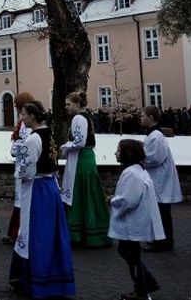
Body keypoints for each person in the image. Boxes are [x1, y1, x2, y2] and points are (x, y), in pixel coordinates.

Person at [9, 101, 75, 298]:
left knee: (35, 233)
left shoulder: (33, 139)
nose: (21, 118)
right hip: (50, 187)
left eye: (23, 114)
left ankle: (34, 278)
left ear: (31, 116)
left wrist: (18, 169)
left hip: (37, 189)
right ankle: (54, 276)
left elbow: (27, 171)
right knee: (50, 232)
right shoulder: (48, 132)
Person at [109, 139, 164, 300]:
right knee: (130, 253)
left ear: (128, 154)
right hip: (136, 221)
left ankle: (142, 289)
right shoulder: (136, 171)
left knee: (130, 254)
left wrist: (113, 200)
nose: (115, 153)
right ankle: (147, 283)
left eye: (118, 150)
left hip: (133, 223)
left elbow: (128, 200)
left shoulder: (131, 173)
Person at [61, 91, 112, 248]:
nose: (66, 107)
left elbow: (79, 141)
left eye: (69, 104)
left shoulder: (78, 118)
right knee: (87, 193)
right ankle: (89, 231)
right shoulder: (86, 117)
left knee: (80, 193)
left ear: (77, 104)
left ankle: (80, 233)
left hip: (81, 159)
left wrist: (65, 146)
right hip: (86, 157)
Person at [141, 105, 183, 252]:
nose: (140, 118)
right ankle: (160, 239)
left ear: (151, 118)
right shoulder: (153, 135)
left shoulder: (156, 136)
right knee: (159, 212)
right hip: (158, 178)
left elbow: (156, 158)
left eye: (143, 116)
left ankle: (164, 242)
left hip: (160, 179)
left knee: (162, 213)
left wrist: (140, 157)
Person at [5, 91, 35, 244]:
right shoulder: (23, 122)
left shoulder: (27, 125)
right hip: (21, 163)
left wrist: (15, 148)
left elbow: (25, 142)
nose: (16, 109)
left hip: (24, 165)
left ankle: (19, 232)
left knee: (23, 200)